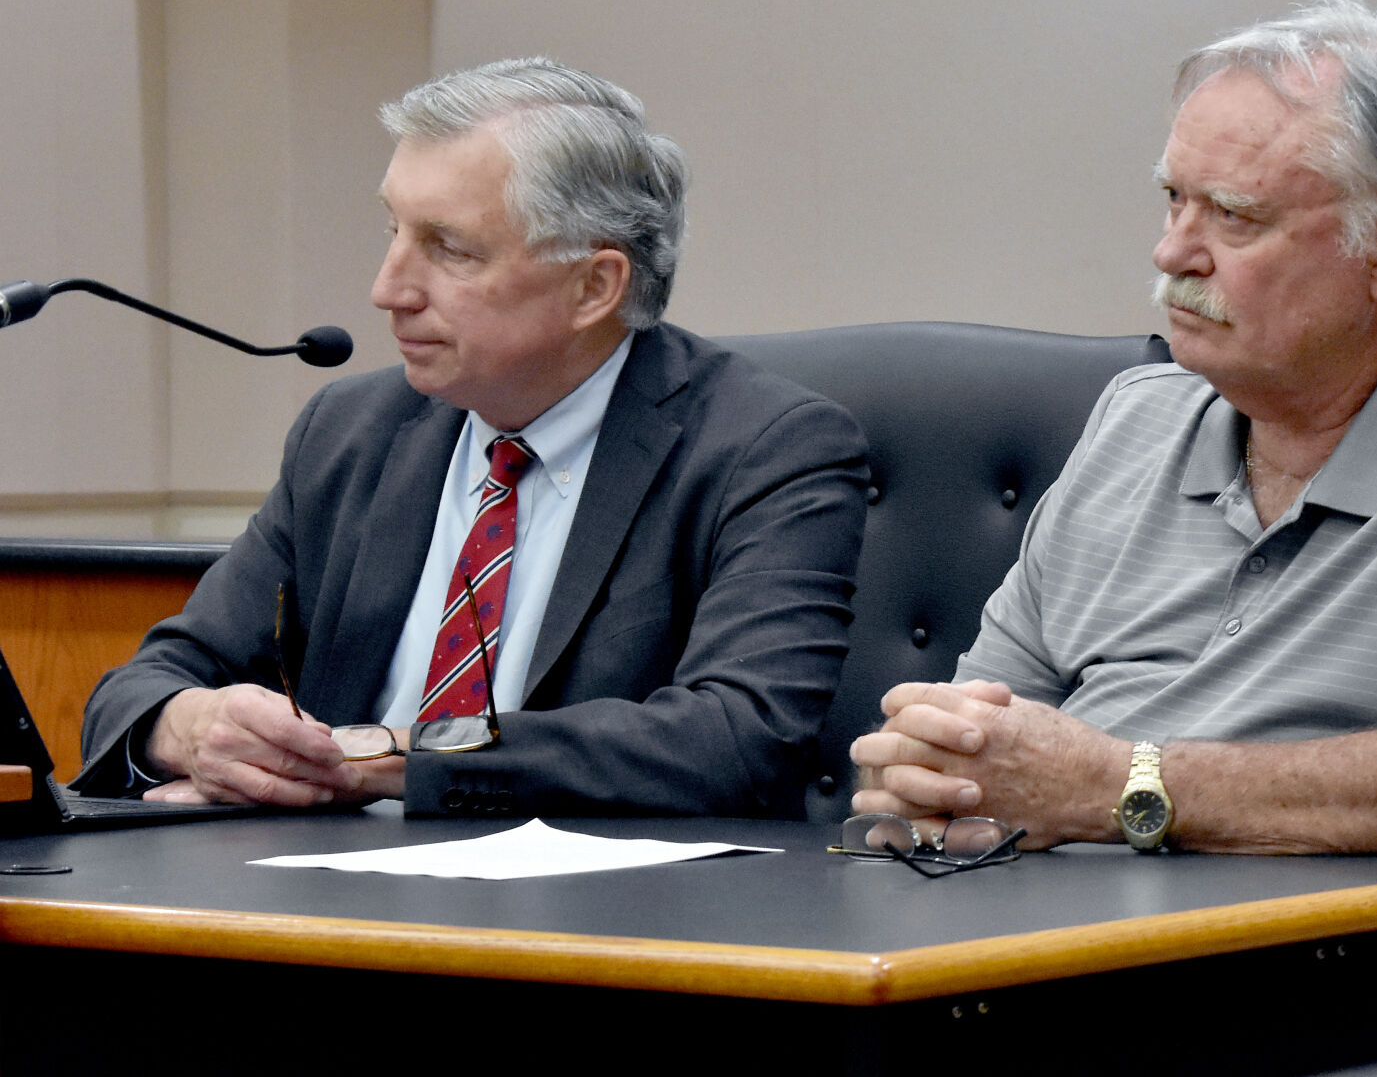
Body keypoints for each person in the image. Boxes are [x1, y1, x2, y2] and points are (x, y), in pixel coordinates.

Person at [850, 0, 1377, 913]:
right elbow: (972, 756)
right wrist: (930, 784)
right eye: (1173, 198)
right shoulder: (1135, 418)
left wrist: (1112, 785)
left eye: (1234, 217)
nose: (1173, 252)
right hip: (1067, 961)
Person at [76, 58, 868, 818]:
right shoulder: (349, 433)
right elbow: (145, 683)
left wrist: (388, 755)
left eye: (448, 249)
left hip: (595, 924)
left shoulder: (764, 448)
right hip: (318, 901)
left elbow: (737, 737)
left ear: (594, 286)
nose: (387, 290)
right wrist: (185, 727)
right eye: (391, 230)